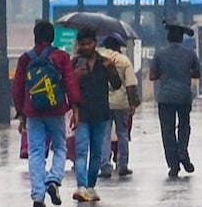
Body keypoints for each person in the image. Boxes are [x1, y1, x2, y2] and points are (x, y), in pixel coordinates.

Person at [13, 20, 80, 207]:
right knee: (60, 147)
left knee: (36, 152)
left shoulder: (25, 59)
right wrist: (74, 108)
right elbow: (70, 82)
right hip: (56, 110)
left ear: (35, 37)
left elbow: (17, 88)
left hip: (33, 112)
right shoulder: (61, 57)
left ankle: (37, 196)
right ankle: (53, 179)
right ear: (52, 37)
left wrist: (21, 113)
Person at [70, 27, 123, 202]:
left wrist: (112, 69)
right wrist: (74, 76)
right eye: (82, 44)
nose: (86, 47)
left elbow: (116, 84)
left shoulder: (105, 62)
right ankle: (81, 186)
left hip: (101, 114)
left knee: (97, 154)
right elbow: (67, 87)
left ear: (95, 43)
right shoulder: (74, 64)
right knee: (81, 151)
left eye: (89, 43)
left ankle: (90, 187)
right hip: (82, 114)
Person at [149, 21, 201, 178]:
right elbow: (197, 74)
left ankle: (173, 165)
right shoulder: (190, 53)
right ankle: (183, 151)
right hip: (184, 96)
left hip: (165, 97)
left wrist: (164, 74)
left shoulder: (159, 53)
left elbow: (152, 76)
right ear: (181, 39)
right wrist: (184, 73)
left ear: (168, 38)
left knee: (168, 131)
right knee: (184, 126)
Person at [97, 34, 138, 179]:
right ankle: (122, 166)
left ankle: (104, 167)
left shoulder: (99, 58)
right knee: (122, 134)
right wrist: (132, 103)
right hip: (121, 103)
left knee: (104, 135)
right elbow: (131, 84)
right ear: (118, 46)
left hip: (103, 103)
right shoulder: (124, 60)